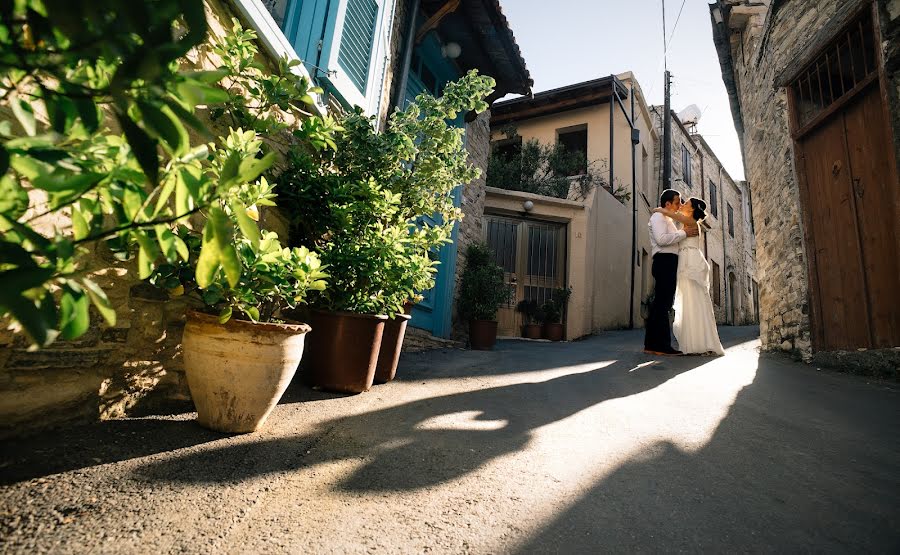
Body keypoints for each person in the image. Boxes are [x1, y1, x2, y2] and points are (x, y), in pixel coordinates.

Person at [653, 197, 725, 356]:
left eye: (685, 204)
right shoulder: (686, 224)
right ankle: (692, 343)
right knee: (687, 302)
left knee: (695, 301)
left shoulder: (692, 223)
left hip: (692, 264)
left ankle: (702, 344)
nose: (682, 205)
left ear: (691, 209)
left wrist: (660, 210)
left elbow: (674, 216)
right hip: (685, 262)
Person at [644, 189, 698, 355]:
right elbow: (662, 240)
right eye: (676, 202)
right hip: (664, 261)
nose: (679, 205)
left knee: (660, 303)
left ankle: (652, 345)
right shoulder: (658, 217)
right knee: (663, 304)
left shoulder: (667, 218)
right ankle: (661, 346)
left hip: (668, 262)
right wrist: (684, 233)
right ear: (667, 204)